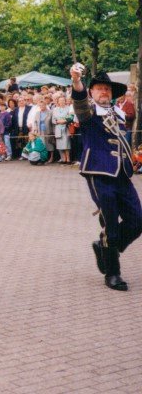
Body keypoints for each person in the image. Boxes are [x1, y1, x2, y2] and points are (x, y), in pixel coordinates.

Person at [70, 67, 142, 291]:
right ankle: (113, 273)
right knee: (110, 222)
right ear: (91, 92)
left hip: (122, 174)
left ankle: (105, 248)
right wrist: (76, 80)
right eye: (100, 88)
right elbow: (79, 101)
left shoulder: (117, 113)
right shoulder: (89, 113)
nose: (104, 92)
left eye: (107, 89)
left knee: (137, 220)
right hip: (99, 172)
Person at [52, 96, 72, 164]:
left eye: (63, 100)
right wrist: (57, 122)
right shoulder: (55, 109)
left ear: (65, 101)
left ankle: (68, 159)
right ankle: (63, 159)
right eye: (60, 100)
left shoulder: (68, 108)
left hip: (66, 127)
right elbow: (53, 120)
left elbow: (70, 117)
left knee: (66, 144)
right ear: (58, 102)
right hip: (58, 128)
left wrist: (64, 121)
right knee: (60, 145)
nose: (62, 102)